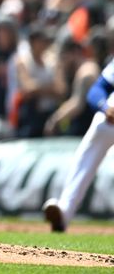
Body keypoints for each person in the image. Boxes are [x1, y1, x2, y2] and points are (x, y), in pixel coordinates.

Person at [42, 56, 114, 232]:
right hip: (109, 120)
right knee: (98, 128)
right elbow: (96, 90)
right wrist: (104, 107)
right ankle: (64, 212)